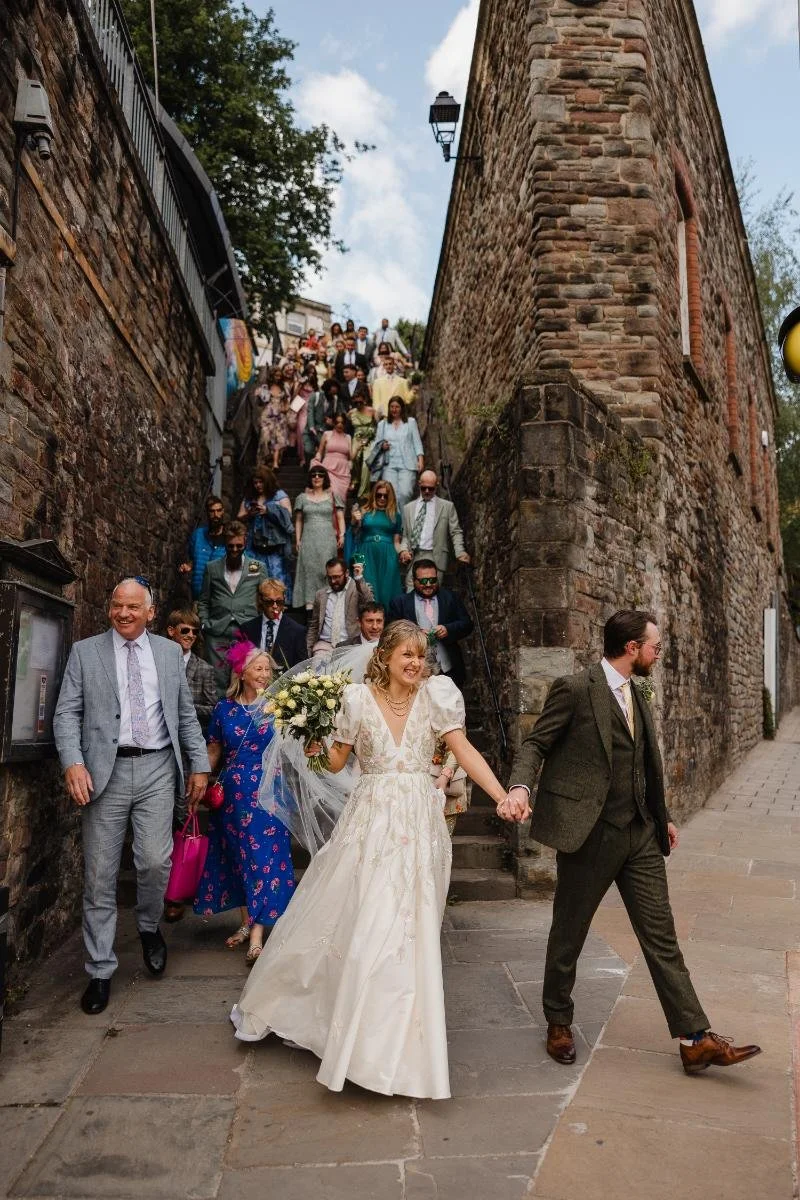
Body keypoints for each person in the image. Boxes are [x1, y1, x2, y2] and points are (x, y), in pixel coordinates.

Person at [230, 620, 510, 1098]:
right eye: (406, 654)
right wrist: (314, 747)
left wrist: (503, 796)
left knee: (411, 929)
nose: (415, 663)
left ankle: (397, 1045)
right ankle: (358, 1043)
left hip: (421, 824)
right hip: (371, 821)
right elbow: (336, 763)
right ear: (385, 656)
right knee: (368, 922)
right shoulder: (356, 701)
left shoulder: (437, 696)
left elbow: (464, 751)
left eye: (420, 656)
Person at [504, 609, 761, 1075]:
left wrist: (661, 818)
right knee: (569, 932)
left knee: (661, 938)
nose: (658, 653)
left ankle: (694, 1038)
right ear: (631, 648)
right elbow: (536, 744)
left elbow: (646, 761)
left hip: (640, 834)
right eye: (654, 646)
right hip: (590, 834)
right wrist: (520, 788)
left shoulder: (638, 691)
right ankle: (558, 1021)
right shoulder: (576, 689)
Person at [53, 578, 209, 1015]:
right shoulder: (86, 653)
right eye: (117, 605)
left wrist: (199, 765)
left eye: (133, 607)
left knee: (155, 860)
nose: (123, 613)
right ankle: (100, 969)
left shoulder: (167, 654)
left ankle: (147, 925)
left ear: (150, 612)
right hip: (106, 771)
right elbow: (66, 714)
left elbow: (183, 716)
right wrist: (73, 762)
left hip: (159, 767)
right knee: (100, 874)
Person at [194, 640, 294, 964]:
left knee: (264, 859)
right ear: (242, 671)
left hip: (269, 795)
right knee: (239, 859)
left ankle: (256, 937)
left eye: (268, 668)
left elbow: (296, 744)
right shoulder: (224, 709)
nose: (265, 674)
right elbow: (213, 751)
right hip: (234, 797)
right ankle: (246, 921)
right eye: (259, 668)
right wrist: (199, 779)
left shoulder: (280, 706)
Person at [163, 607, 217, 922]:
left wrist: (181, 707)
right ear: (171, 630)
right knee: (162, 821)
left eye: (195, 633)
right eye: (185, 631)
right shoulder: (156, 662)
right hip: (158, 752)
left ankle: (176, 894)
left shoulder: (204, 669)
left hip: (186, 752)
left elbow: (212, 708)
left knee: (184, 818)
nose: (191, 637)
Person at [197, 522, 267, 694]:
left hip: (247, 630)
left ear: (245, 542)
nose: (235, 549)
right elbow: (204, 600)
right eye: (230, 546)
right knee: (218, 679)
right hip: (217, 631)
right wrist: (204, 623)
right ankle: (220, 718)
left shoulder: (257, 568)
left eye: (239, 546)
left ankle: (244, 718)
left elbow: (265, 599)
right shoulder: (212, 568)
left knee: (246, 678)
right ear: (224, 544)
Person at [388, 559, 473, 688]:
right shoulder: (400, 603)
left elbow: (467, 624)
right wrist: (415, 634)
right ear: (414, 580)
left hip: (448, 667)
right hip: (414, 670)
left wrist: (448, 629)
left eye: (432, 580)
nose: (428, 584)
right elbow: (391, 633)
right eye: (423, 581)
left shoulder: (450, 597)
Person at [399, 471, 471, 589]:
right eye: (424, 488)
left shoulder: (447, 507)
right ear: (419, 484)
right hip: (414, 556)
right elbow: (406, 537)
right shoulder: (408, 508)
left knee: (431, 594)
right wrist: (403, 551)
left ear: (437, 485)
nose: (427, 491)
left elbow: (455, 532)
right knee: (411, 595)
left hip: (436, 556)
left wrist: (460, 552)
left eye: (431, 488)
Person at [236, 467, 294, 603]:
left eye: (261, 482)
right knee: (254, 574)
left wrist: (268, 510)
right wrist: (250, 513)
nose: (258, 485)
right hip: (254, 544)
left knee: (276, 576)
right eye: (255, 483)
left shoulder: (279, 495)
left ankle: (279, 604)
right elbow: (239, 516)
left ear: (267, 481)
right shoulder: (250, 497)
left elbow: (288, 515)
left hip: (275, 545)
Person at [293, 466, 345, 611]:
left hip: (327, 538)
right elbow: (298, 520)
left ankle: (327, 603)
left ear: (325, 478)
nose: (317, 477)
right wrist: (298, 539)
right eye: (314, 475)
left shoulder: (333, 496)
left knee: (326, 569)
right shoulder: (301, 498)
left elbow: (340, 517)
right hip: (308, 537)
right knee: (309, 570)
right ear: (310, 478)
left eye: (320, 475)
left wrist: (342, 535)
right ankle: (310, 605)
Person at [348, 481, 403, 606]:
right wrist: (354, 521)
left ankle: (386, 621)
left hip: (388, 555)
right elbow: (355, 534)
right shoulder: (364, 511)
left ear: (391, 497)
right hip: (365, 552)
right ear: (374, 495)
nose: (382, 498)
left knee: (387, 589)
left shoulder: (395, 516)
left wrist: (401, 553)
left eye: (385, 496)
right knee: (367, 586)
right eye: (379, 495)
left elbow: (396, 541)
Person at [307, 557, 374, 656]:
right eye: (330, 577)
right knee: (318, 669)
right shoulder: (320, 595)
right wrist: (308, 649)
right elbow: (314, 625)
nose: (333, 581)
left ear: (346, 573)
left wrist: (359, 579)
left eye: (337, 577)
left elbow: (369, 604)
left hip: (350, 645)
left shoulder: (358, 589)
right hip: (324, 646)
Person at [367, 396, 424, 511]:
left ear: (402, 408)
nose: (394, 409)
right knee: (391, 494)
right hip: (389, 465)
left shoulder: (410, 422)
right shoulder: (382, 424)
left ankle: (403, 524)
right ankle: (395, 524)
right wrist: (382, 446)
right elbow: (376, 444)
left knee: (405, 493)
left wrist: (421, 460)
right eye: (392, 407)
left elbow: (417, 442)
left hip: (407, 464)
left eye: (397, 407)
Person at [240, 579, 307, 670]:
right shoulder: (247, 629)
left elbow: (302, 667)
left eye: (279, 602)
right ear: (261, 600)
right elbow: (239, 664)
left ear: (284, 599)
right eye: (269, 602)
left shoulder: (297, 631)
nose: (275, 606)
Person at [179, 495, 227, 601]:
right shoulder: (198, 535)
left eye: (219, 511)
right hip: (199, 596)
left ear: (223, 511)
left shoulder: (229, 536)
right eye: (212, 511)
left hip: (221, 597)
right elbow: (193, 559)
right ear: (207, 513)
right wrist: (188, 566)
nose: (216, 515)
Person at [314, 412, 354, 504]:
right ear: (333, 423)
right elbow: (320, 452)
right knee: (330, 494)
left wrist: (358, 447)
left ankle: (340, 518)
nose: (339, 425)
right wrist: (316, 461)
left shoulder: (348, 437)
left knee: (341, 498)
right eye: (337, 422)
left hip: (343, 472)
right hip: (328, 469)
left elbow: (350, 457)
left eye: (342, 422)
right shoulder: (327, 434)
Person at [257, 379, 290, 471]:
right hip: (267, 416)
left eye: (279, 375)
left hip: (279, 418)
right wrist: (259, 394)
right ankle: (266, 461)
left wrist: (283, 409)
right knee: (266, 439)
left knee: (278, 441)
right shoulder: (265, 387)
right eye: (275, 375)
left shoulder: (284, 387)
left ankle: (275, 463)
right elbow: (261, 402)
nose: (277, 377)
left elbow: (287, 404)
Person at [370, 355, 412, 421]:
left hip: (399, 416)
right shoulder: (377, 382)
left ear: (394, 365)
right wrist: (378, 415)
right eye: (386, 364)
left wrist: (413, 391)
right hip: (385, 416)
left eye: (390, 364)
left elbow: (407, 400)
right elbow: (376, 402)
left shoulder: (403, 381)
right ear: (384, 366)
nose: (388, 366)